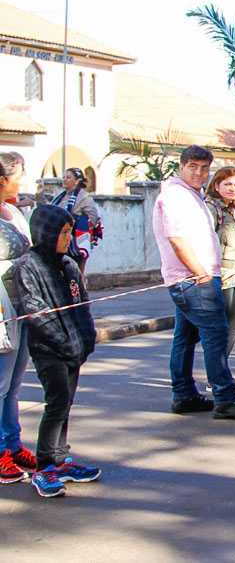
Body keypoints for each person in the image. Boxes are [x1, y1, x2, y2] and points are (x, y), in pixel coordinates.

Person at [153, 146, 235, 420]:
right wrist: (200, 272)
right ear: (181, 166)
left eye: (204, 168)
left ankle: (184, 394)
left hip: (196, 277)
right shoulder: (176, 195)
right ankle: (224, 397)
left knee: (185, 339)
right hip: (194, 280)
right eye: (193, 167)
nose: (199, 173)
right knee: (216, 336)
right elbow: (177, 239)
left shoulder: (191, 194)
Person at [13, 204, 100, 497]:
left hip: (74, 349)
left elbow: (82, 305)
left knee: (67, 402)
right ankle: (44, 466)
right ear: (47, 233)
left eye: (70, 232)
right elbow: (35, 312)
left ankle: (61, 459)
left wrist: (86, 340)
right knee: (57, 402)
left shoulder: (69, 266)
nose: (68, 238)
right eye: (63, 233)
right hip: (49, 350)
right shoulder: (29, 266)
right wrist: (63, 343)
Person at [0, 155, 35, 485]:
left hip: (20, 303)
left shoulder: (12, 212)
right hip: (1, 310)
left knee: (13, 386)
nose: (21, 181)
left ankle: (12, 444)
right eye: (18, 175)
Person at [205, 166, 235, 392]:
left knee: (234, 327)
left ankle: (221, 375)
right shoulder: (212, 209)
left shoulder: (230, 210)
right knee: (223, 330)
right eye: (227, 184)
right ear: (216, 185)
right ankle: (216, 379)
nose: (232, 188)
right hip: (220, 277)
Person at [52, 168, 102, 276]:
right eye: (64, 177)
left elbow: (93, 218)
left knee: (74, 273)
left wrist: (75, 223)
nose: (64, 180)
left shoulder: (84, 197)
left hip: (74, 244)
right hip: (58, 242)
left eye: (68, 177)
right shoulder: (61, 197)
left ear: (77, 180)